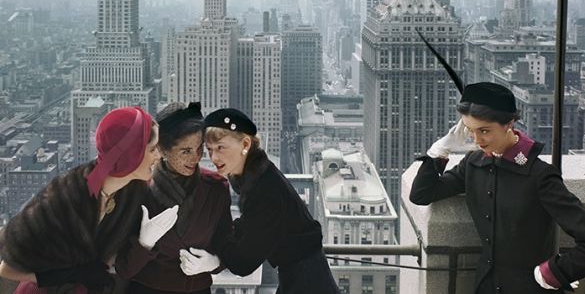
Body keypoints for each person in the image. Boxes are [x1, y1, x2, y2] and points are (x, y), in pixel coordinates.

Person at [409, 81, 585, 293]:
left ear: (509, 123)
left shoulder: (539, 175)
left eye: (485, 131)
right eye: (470, 131)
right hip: (485, 287)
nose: (478, 140)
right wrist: (440, 149)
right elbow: (421, 194)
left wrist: (553, 273)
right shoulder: (474, 163)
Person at [0, 106, 179, 294]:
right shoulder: (66, 197)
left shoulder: (133, 194)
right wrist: (75, 274)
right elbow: (7, 269)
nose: (158, 156)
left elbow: (124, 269)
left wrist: (145, 243)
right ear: (130, 155)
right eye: (152, 149)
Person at [175, 108, 340, 294]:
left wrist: (215, 235)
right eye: (210, 150)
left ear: (245, 144)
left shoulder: (265, 191)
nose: (214, 157)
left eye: (220, 147)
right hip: (303, 275)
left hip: (308, 283)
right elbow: (250, 225)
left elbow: (243, 264)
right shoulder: (258, 177)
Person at [115, 101, 232, 294]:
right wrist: (144, 244)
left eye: (199, 148)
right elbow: (123, 268)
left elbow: (226, 245)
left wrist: (214, 262)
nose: (196, 158)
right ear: (162, 150)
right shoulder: (138, 189)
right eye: (185, 151)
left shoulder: (217, 189)